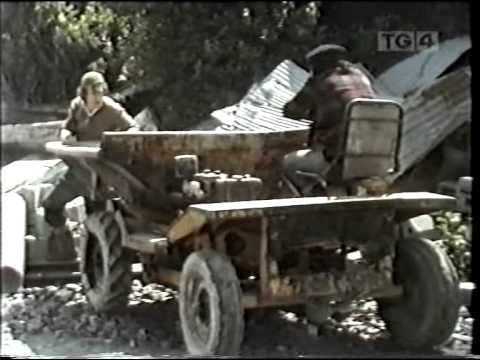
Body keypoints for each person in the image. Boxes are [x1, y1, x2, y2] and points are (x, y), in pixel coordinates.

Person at [42, 71, 139, 259]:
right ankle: (65, 243)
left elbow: (133, 128)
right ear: (84, 93)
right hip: (78, 171)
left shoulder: (112, 110)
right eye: (93, 94)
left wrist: (116, 143)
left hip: (101, 175)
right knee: (50, 206)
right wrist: (66, 136)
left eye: (101, 93)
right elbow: (68, 127)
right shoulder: (77, 106)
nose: (98, 98)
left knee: (97, 220)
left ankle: (96, 265)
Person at [282, 45, 377, 195]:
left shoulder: (319, 82)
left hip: (337, 159)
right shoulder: (362, 78)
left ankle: (314, 198)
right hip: (373, 157)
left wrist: (310, 111)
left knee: (288, 163)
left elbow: (291, 111)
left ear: (318, 65)